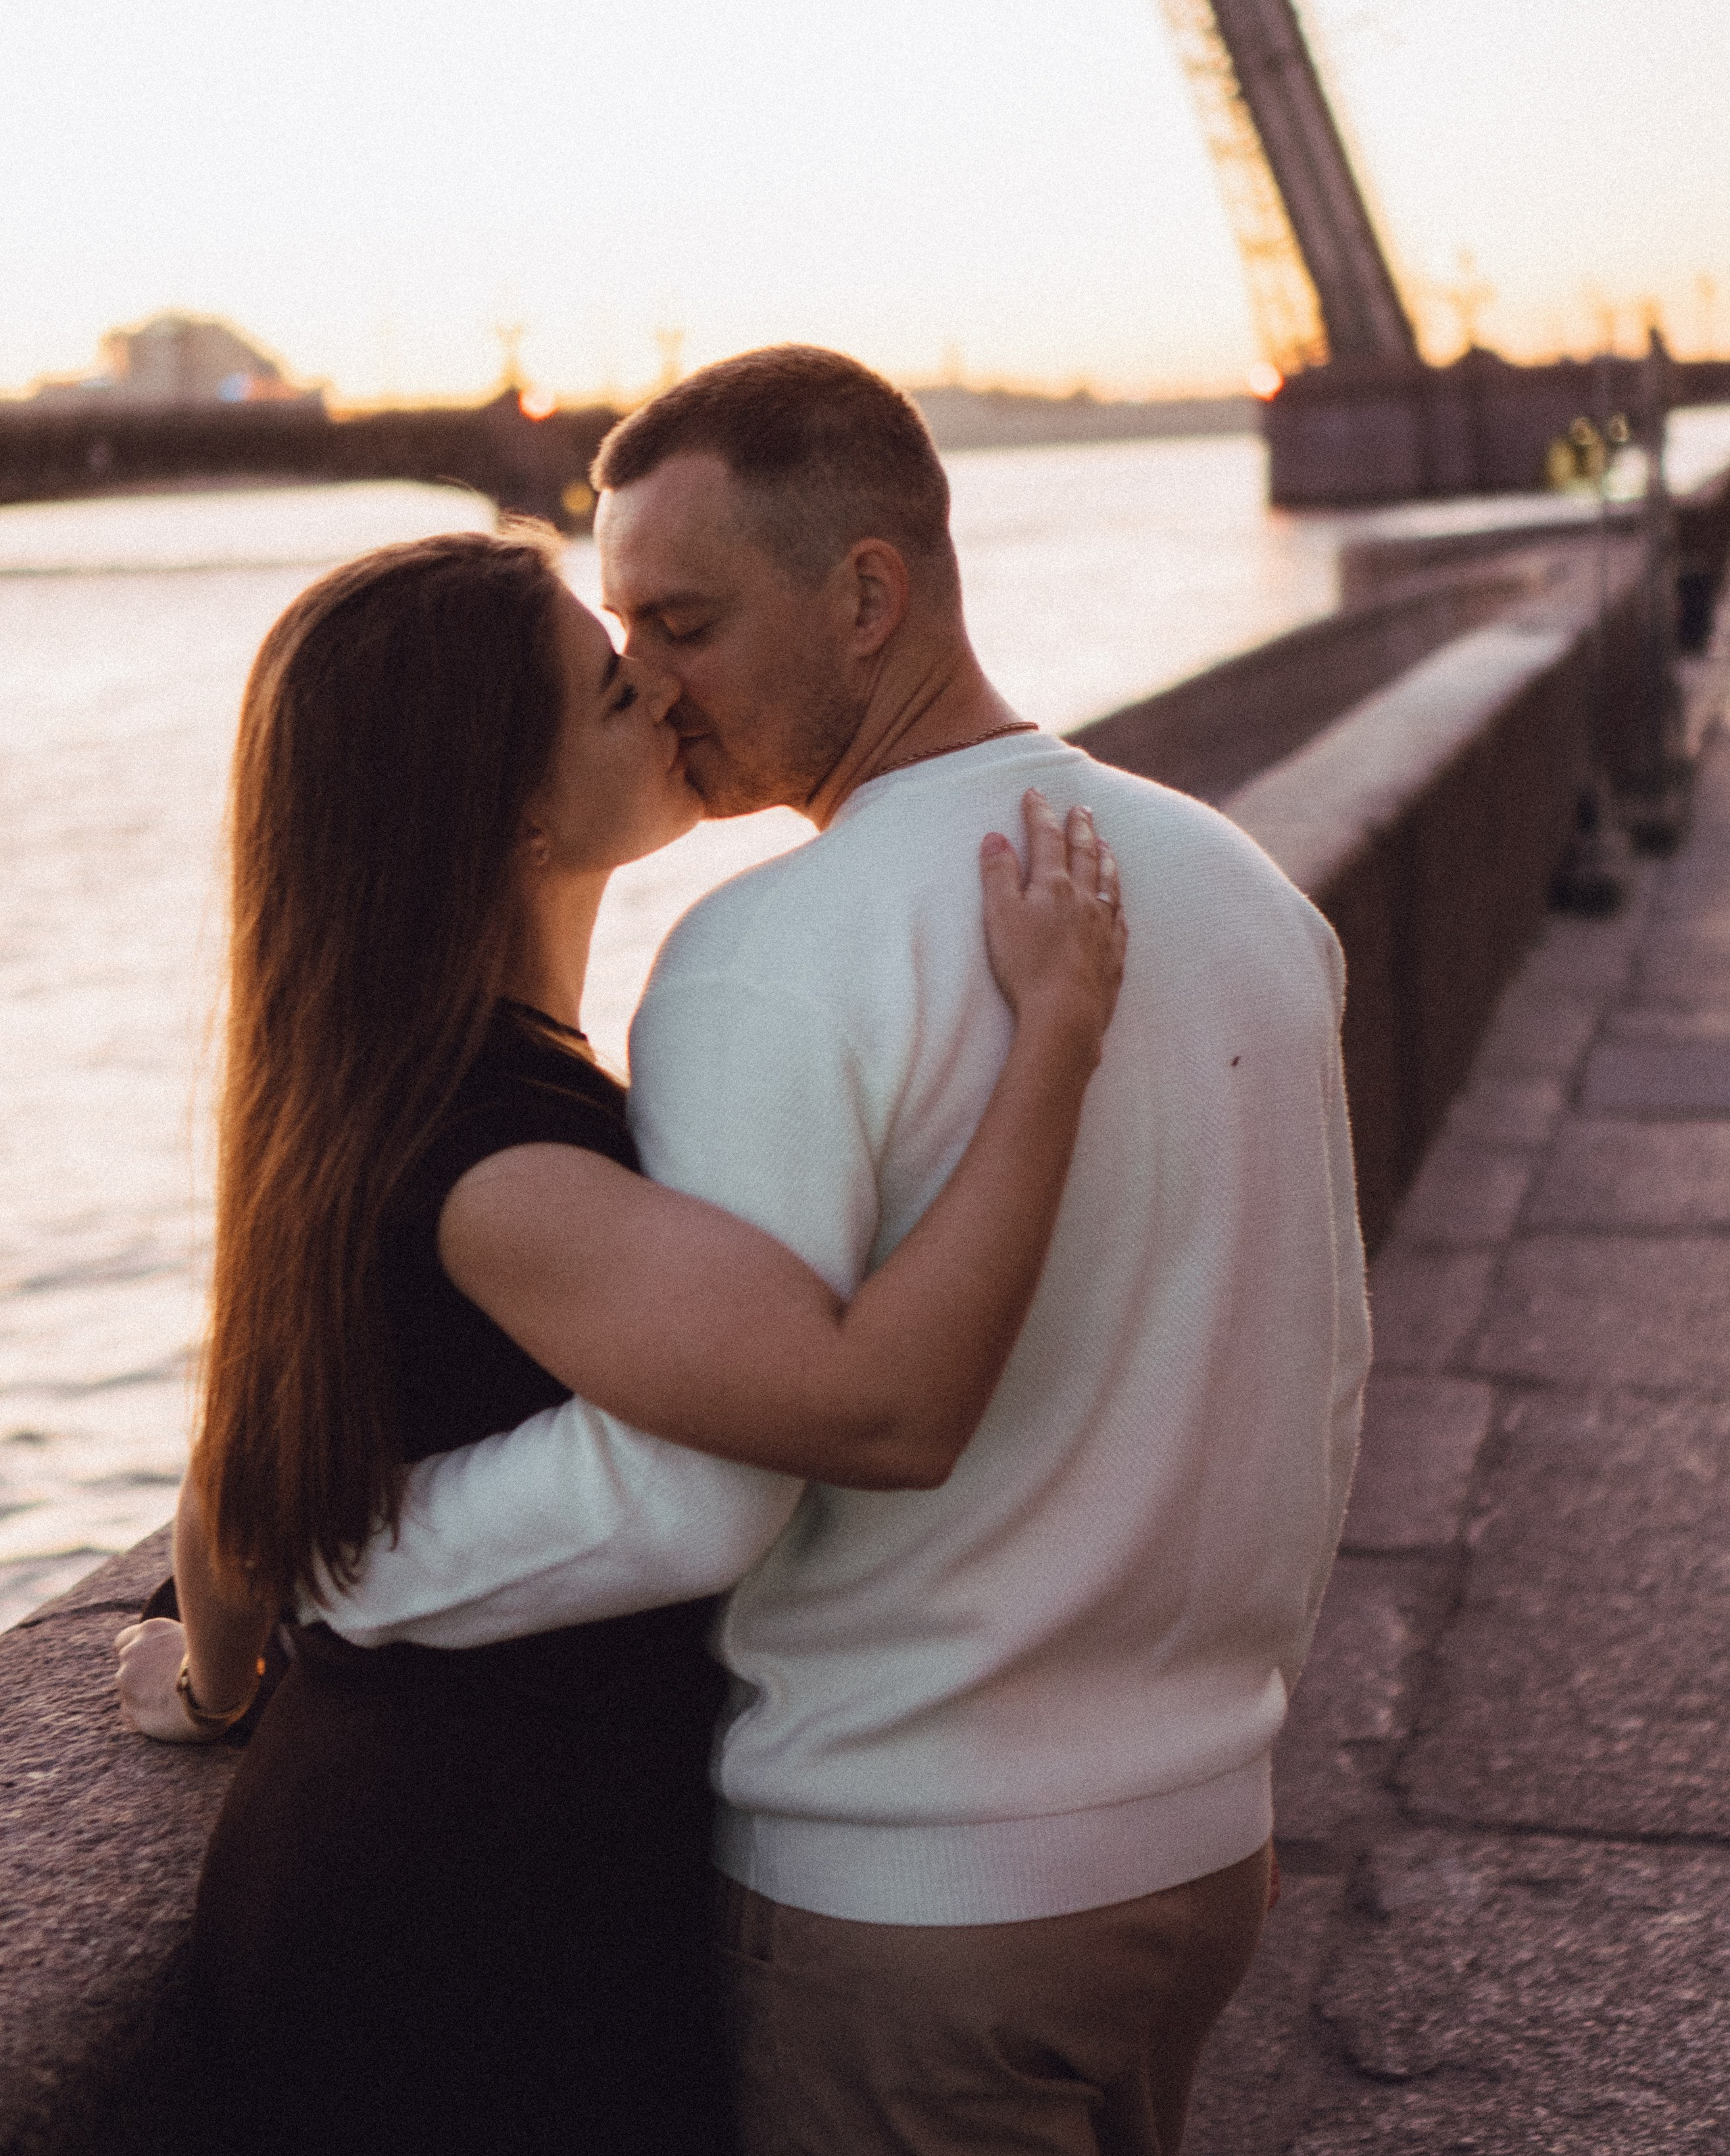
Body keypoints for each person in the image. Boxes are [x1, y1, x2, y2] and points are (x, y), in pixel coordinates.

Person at [314, 347, 1373, 2156]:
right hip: (1199, 1853)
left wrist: (324, 1556)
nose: (652, 679)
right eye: (625, 633)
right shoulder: (1241, 894)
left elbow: (693, 1493)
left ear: (867, 595)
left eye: (687, 622)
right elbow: (1321, 1368)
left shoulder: (763, 959)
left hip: (910, 1894)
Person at [113, 522, 1129, 2156]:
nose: (659, 686)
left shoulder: (375, 1095)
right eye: (608, 687)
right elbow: (882, 1406)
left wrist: (212, 1681)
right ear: (508, 811)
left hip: (414, 1877)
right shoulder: (506, 1162)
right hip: (470, 1942)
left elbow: (247, 1466)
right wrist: (1055, 1044)